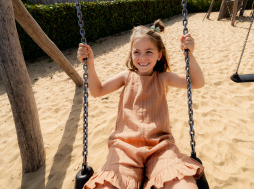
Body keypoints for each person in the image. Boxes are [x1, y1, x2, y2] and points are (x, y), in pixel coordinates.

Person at [77, 19, 205, 189]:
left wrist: (190, 54)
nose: (142, 57)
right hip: (124, 147)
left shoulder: (163, 77)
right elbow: (98, 90)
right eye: (137, 52)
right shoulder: (126, 77)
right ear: (131, 54)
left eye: (149, 52)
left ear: (159, 55)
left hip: (161, 146)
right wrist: (90, 64)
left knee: (183, 185)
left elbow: (196, 82)